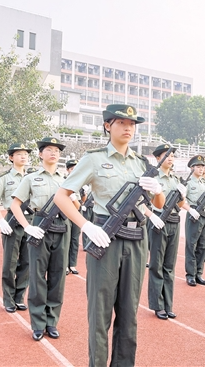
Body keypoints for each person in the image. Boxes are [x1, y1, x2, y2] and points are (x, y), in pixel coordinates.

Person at [53, 104, 165, 366]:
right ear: (107, 126)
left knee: (129, 314)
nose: (128, 128)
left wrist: (158, 189)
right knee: (100, 313)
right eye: (121, 123)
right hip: (105, 237)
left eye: (132, 124)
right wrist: (86, 225)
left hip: (137, 240)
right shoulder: (93, 159)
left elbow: (158, 204)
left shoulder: (142, 163)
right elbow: (62, 196)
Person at [10, 137, 69, 341]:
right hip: (39, 225)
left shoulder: (67, 180)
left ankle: (52, 321)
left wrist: (76, 199)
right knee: (37, 276)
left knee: (58, 275)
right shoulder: (30, 178)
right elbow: (15, 205)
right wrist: (27, 227)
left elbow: (76, 206)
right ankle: (37, 323)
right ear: (41, 154)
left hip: (62, 226)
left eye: (57, 151)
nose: (54, 153)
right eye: (49, 150)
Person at [145, 144, 187, 320]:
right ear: (157, 158)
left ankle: (168, 303)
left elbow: (178, 205)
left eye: (172, 156)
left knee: (169, 266)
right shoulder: (152, 178)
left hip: (173, 223)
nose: (170, 158)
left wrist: (183, 197)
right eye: (166, 155)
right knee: (157, 265)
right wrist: (151, 216)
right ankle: (157, 304)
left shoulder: (175, 179)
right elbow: (143, 202)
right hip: (157, 223)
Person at [0, 143, 32, 313]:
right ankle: (8, 298)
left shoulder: (33, 177)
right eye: (19, 154)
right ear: (11, 157)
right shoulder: (4, 178)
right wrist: (1, 220)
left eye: (25, 154)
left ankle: (19, 297)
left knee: (27, 262)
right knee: (10, 262)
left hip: (30, 221)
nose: (23, 157)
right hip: (12, 222)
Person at [183, 155, 205, 286]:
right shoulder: (188, 183)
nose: (201, 169)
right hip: (194, 215)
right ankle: (190, 275)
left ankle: (199, 274)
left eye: (202, 167)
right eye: (198, 167)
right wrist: (190, 210)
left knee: (203, 246)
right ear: (192, 168)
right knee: (192, 245)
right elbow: (181, 200)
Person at [65, 158, 82, 276]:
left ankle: (72, 264)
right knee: (66, 239)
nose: (74, 170)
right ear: (67, 170)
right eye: (71, 168)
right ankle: (65, 264)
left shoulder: (81, 182)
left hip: (77, 212)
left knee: (75, 239)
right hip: (65, 213)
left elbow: (82, 199)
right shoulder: (64, 182)